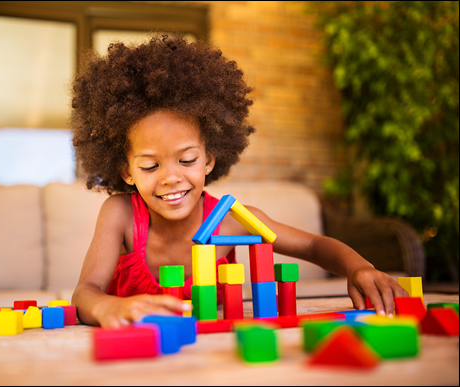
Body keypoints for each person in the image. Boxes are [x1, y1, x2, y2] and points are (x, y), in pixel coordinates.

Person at [70, 33, 407, 328]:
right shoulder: (120, 215)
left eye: (186, 160)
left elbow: (313, 245)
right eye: (149, 166)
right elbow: (85, 291)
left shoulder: (233, 222)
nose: (171, 177)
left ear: (209, 160)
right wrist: (107, 306)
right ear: (126, 171)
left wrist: (359, 268)